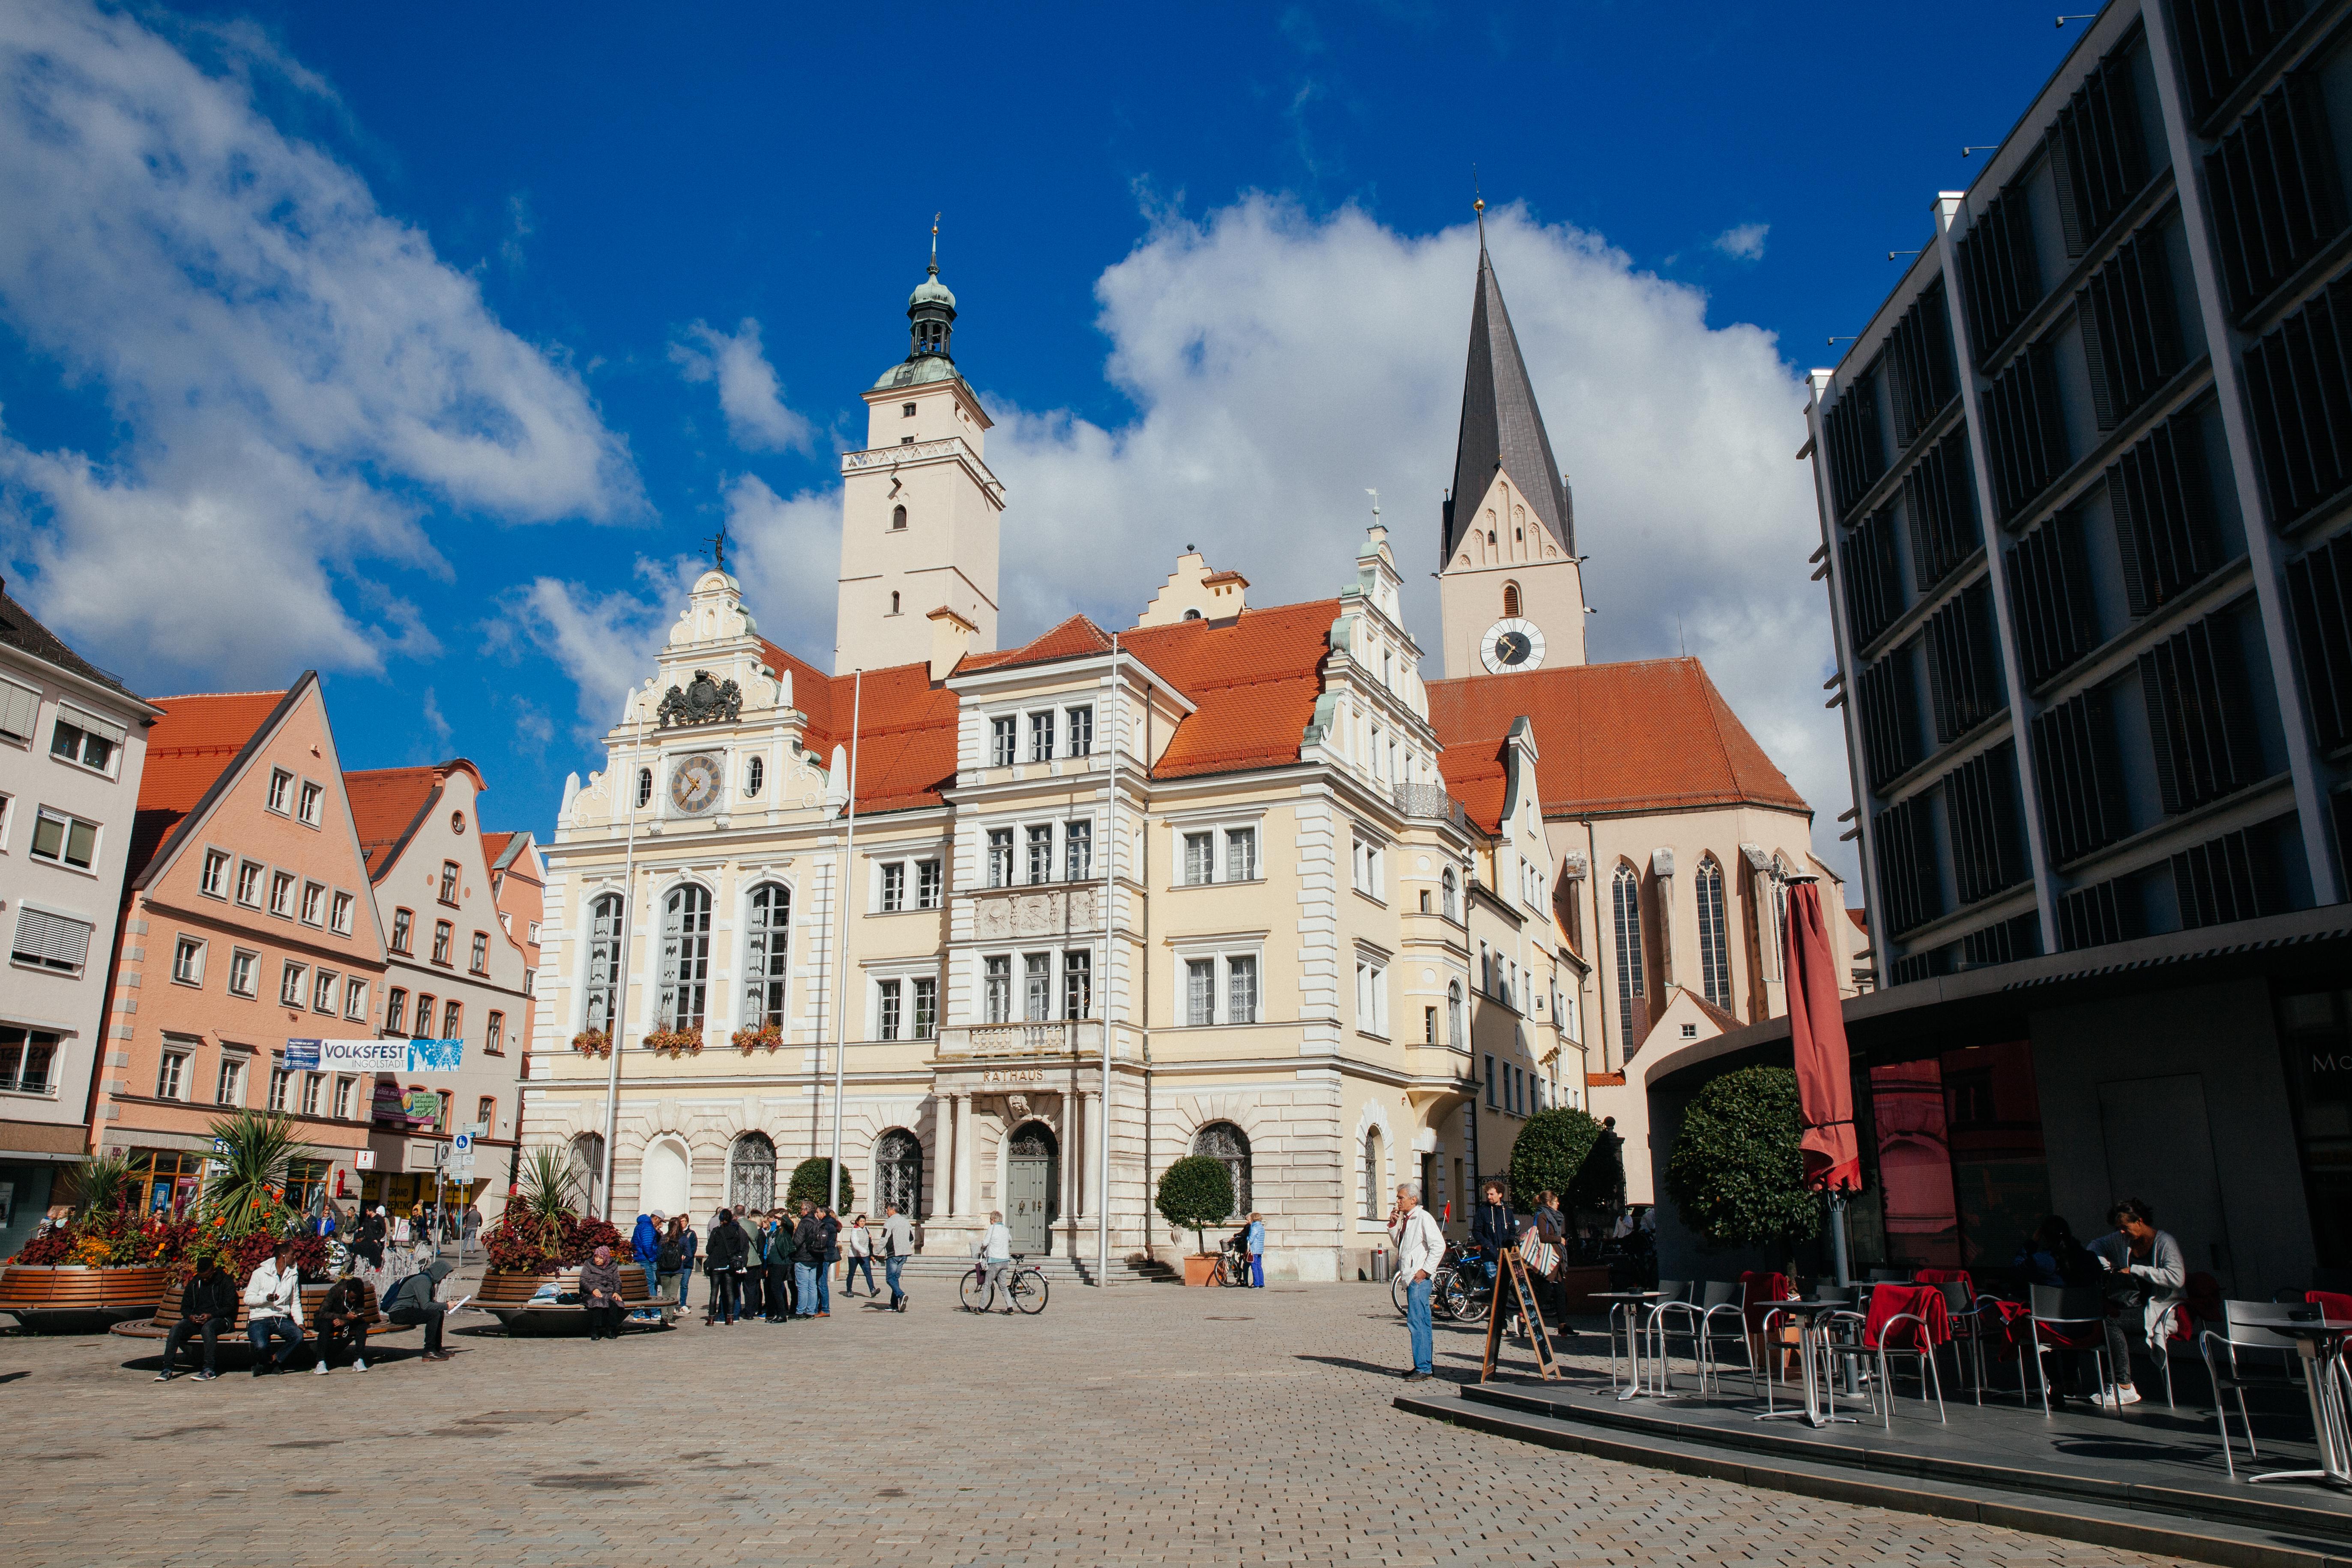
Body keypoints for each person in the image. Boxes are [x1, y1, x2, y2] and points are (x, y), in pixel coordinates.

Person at [2089, 1197, 2187, 1409]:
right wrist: (2105, 1265)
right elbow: (2095, 1246)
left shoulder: (2165, 1242)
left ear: (2140, 1221)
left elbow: (2177, 1277)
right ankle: (2114, 1384)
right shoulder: (2123, 1240)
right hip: (2131, 1306)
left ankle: (2123, 1385)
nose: (2122, 1232)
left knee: (2110, 1322)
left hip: (2159, 1307)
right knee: (2103, 1318)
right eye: (2119, 1228)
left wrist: (2136, 1270)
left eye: (2125, 1227)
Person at [1389, 1181, 1444, 1382]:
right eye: (1398, 1198)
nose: (1398, 1201)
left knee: (1418, 1322)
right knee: (1420, 1321)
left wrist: (1426, 1271)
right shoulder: (1407, 1219)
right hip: (1411, 1277)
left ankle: (1424, 1367)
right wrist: (1393, 1225)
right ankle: (1423, 1364)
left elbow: (1439, 1245)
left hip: (1419, 1279)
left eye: (1401, 1198)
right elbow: (1401, 1245)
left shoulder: (1423, 1218)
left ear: (1413, 1200)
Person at [156, 1254, 236, 1381]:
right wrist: (190, 1316)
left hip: (221, 1320)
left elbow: (230, 1307)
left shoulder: (225, 1281)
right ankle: (167, 1369)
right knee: (177, 1329)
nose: (204, 1279)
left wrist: (211, 1315)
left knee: (208, 1328)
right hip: (198, 1320)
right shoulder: (195, 1283)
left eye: (207, 1276)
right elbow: (185, 1307)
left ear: (213, 1271)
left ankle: (209, 1369)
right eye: (202, 1277)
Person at [242, 1241, 305, 1376]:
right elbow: (247, 1299)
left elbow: (295, 1301)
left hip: (280, 1318)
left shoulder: (293, 1274)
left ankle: (272, 1360)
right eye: (292, 1254)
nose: (295, 1257)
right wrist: (266, 1299)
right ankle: (267, 1364)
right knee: (261, 1345)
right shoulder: (260, 1273)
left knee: (298, 1335)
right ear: (283, 1256)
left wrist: (300, 1322)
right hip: (259, 1318)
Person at [379, 1263, 453, 1361]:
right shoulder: (423, 1281)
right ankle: (429, 1351)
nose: (445, 1278)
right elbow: (426, 1306)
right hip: (398, 1313)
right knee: (434, 1315)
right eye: (445, 1275)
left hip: (405, 1311)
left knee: (439, 1312)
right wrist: (446, 1306)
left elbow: (427, 1304)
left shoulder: (426, 1279)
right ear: (439, 1272)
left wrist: (445, 1305)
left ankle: (437, 1348)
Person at [314, 1267, 371, 1374]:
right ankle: (320, 1362)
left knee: (362, 1325)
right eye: (351, 1298)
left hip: (344, 1322)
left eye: (356, 1298)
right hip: (327, 1320)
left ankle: (358, 1360)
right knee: (325, 1326)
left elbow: (360, 1311)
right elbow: (322, 1313)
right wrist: (343, 1317)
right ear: (347, 1292)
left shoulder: (359, 1293)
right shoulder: (336, 1291)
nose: (353, 1300)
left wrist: (345, 1321)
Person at [1469, 1179, 1515, 1292]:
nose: (1489, 1197)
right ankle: (1495, 1303)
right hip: (1489, 1255)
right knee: (1495, 1288)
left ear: (1500, 1195)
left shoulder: (1507, 1212)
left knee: (1504, 1287)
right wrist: (1488, 1246)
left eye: (1492, 1194)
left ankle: (1500, 1304)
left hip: (1505, 1255)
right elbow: (1476, 1231)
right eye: (1487, 1194)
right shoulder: (1483, 1211)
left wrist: (1510, 1242)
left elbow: (1512, 1231)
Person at [705, 1208, 745, 1325]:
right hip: (729, 1265)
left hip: (716, 1265)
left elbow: (709, 1249)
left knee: (714, 1292)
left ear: (721, 1219)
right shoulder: (735, 1231)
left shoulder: (716, 1231)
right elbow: (738, 1248)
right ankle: (730, 1318)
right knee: (730, 1292)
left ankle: (711, 1319)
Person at [581, 1243, 627, 1341]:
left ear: (606, 1258)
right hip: (592, 1292)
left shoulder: (613, 1265)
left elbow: (617, 1281)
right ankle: (595, 1330)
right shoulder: (589, 1264)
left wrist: (617, 1292)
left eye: (600, 1258)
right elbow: (583, 1281)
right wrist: (593, 1289)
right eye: (596, 1257)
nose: (597, 1260)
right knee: (598, 1302)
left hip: (609, 1291)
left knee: (615, 1302)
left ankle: (611, 1330)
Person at [975, 1209, 1014, 1313]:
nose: (990, 1222)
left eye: (990, 1220)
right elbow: (1010, 1239)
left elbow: (985, 1243)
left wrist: (983, 1246)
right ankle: (1010, 1308)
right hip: (1005, 1261)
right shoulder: (1005, 1229)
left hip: (995, 1261)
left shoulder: (992, 1228)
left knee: (987, 1285)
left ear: (993, 1220)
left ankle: (981, 1308)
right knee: (1003, 1286)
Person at [792, 1200, 826, 1317]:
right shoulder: (817, 1221)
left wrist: (792, 1251)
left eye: (802, 1209)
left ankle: (800, 1311)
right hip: (815, 1257)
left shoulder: (804, 1222)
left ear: (806, 1210)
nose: (801, 1211)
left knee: (802, 1286)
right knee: (812, 1286)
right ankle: (811, 1311)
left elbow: (797, 1241)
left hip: (803, 1257)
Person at [880, 1201, 915, 1312]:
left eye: (888, 1210)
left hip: (893, 1254)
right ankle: (894, 1305)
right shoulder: (906, 1221)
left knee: (890, 1279)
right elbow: (912, 1238)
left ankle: (901, 1295)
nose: (887, 1212)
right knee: (895, 1279)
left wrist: (876, 1252)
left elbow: (884, 1239)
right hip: (904, 1254)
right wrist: (906, 1246)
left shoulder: (890, 1222)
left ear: (892, 1210)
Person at [762, 1212, 795, 1320]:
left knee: (776, 1288)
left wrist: (783, 1217)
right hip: (772, 1262)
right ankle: (776, 1313)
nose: (776, 1220)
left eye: (778, 1219)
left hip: (780, 1262)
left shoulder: (785, 1231)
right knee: (773, 1288)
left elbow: (791, 1225)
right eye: (775, 1218)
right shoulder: (775, 1230)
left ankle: (782, 1314)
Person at [844, 1214, 877, 1297]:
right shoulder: (854, 1231)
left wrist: (871, 1254)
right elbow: (855, 1244)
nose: (863, 1223)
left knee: (868, 1273)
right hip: (854, 1256)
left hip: (865, 1256)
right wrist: (863, 1251)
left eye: (864, 1221)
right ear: (857, 1222)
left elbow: (869, 1243)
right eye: (861, 1221)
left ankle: (873, 1290)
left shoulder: (866, 1229)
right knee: (851, 1273)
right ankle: (849, 1290)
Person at [818, 1206, 841, 1317]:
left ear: (823, 1214)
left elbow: (823, 1242)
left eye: (818, 1212)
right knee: (821, 1282)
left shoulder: (826, 1225)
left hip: (825, 1256)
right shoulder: (831, 1224)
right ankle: (822, 1307)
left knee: (822, 1283)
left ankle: (825, 1309)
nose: (817, 1214)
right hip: (827, 1255)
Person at [673, 1214, 697, 1311]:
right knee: (675, 1285)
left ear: (687, 1222)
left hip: (687, 1264)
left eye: (683, 1221)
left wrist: (686, 1258)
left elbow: (693, 1248)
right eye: (680, 1221)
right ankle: (673, 1304)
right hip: (676, 1263)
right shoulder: (676, 1233)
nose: (682, 1223)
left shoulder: (692, 1234)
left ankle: (683, 1304)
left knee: (684, 1284)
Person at [351, 1204, 386, 1269]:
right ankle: (355, 1267)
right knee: (358, 1248)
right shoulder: (367, 1219)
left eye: (367, 1211)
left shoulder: (380, 1219)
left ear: (371, 1212)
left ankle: (376, 1268)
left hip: (374, 1240)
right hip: (367, 1239)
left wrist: (377, 1239)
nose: (366, 1213)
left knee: (374, 1256)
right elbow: (364, 1229)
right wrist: (359, 1237)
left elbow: (384, 1231)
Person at [1245, 1211, 1266, 1288]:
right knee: (1259, 1266)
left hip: (1254, 1250)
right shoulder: (1261, 1227)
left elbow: (1250, 1240)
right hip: (1260, 1250)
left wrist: (1247, 1238)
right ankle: (1262, 1283)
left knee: (1254, 1267)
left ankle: (1256, 1284)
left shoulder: (1255, 1228)